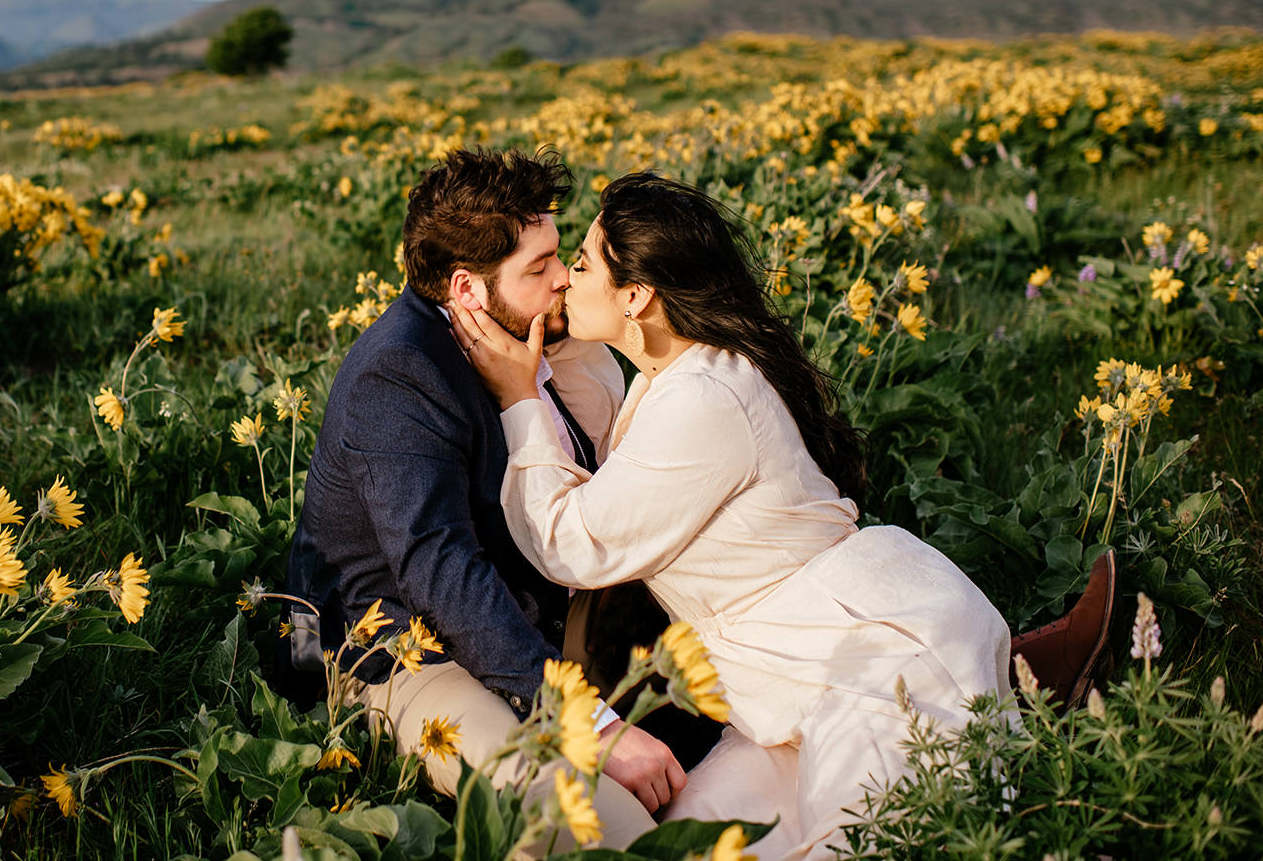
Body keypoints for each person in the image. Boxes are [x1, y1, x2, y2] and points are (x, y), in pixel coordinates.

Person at [447, 171, 1014, 861]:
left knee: (871, 843)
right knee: (687, 847)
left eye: (581, 262)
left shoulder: (705, 398)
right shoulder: (668, 372)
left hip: (870, 660)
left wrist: (515, 397)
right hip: (777, 693)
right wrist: (546, 350)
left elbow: (575, 540)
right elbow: (599, 444)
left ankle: (1035, 684)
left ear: (637, 296)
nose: (564, 278)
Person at [283, 148, 686, 851]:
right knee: (600, 826)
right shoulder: (400, 373)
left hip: (515, 618)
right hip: (402, 656)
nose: (565, 278)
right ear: (467, 288)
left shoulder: (519, 338)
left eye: (560, 255)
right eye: (540, 267)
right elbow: (439, 570)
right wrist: (591, 726)